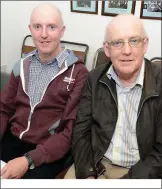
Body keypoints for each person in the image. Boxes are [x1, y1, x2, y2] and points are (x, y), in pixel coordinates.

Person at [65, 14, 162, 179]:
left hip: (140, 170)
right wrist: (87, 173)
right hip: (95, 162)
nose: (126, 51)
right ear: (107, 49)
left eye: (134, 41)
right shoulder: (94, 78)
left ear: (145, 45)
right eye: (117, 43)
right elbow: (81, 132)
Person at [0, 3, 88, 179]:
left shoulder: (78, 73)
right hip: (13, 138)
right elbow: (4, 109)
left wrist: (27, 160)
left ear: (62, 31)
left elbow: (69, 132)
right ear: (30, 29)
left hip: (48, 149)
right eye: (37, 26)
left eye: (52, 27)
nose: (44, 34)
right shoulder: (21, 65)